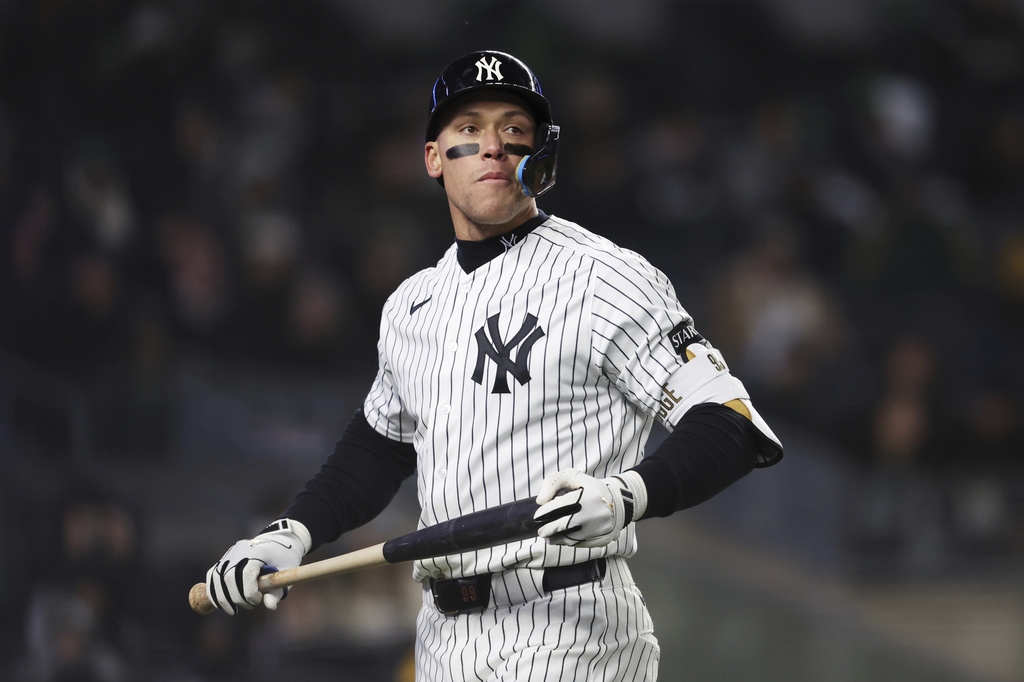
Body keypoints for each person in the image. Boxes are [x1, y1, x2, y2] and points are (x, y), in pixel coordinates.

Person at [202, 50, 783, 681]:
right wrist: (292, 531)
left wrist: (626, 494)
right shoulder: (412, 304)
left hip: (570, 625)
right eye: (469, 129)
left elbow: (730, 423)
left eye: (514, 130)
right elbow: (379, 448)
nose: (493, 147)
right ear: (432, 157)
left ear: (542, 157)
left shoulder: (604, 277)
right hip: (442, 635)